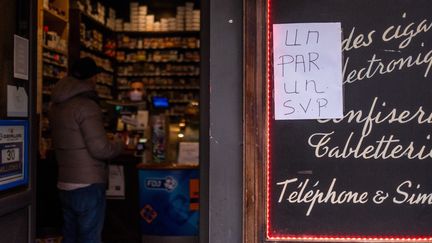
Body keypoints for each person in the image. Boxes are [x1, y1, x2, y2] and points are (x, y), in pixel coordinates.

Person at [49, 57, 123, 243]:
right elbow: (100, 149)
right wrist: (119, 144)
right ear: (92, 78)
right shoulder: (86, 106)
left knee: (70, 236)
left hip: (65, 181)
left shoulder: (56, 105)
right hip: (87, 184)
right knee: (89, 238)